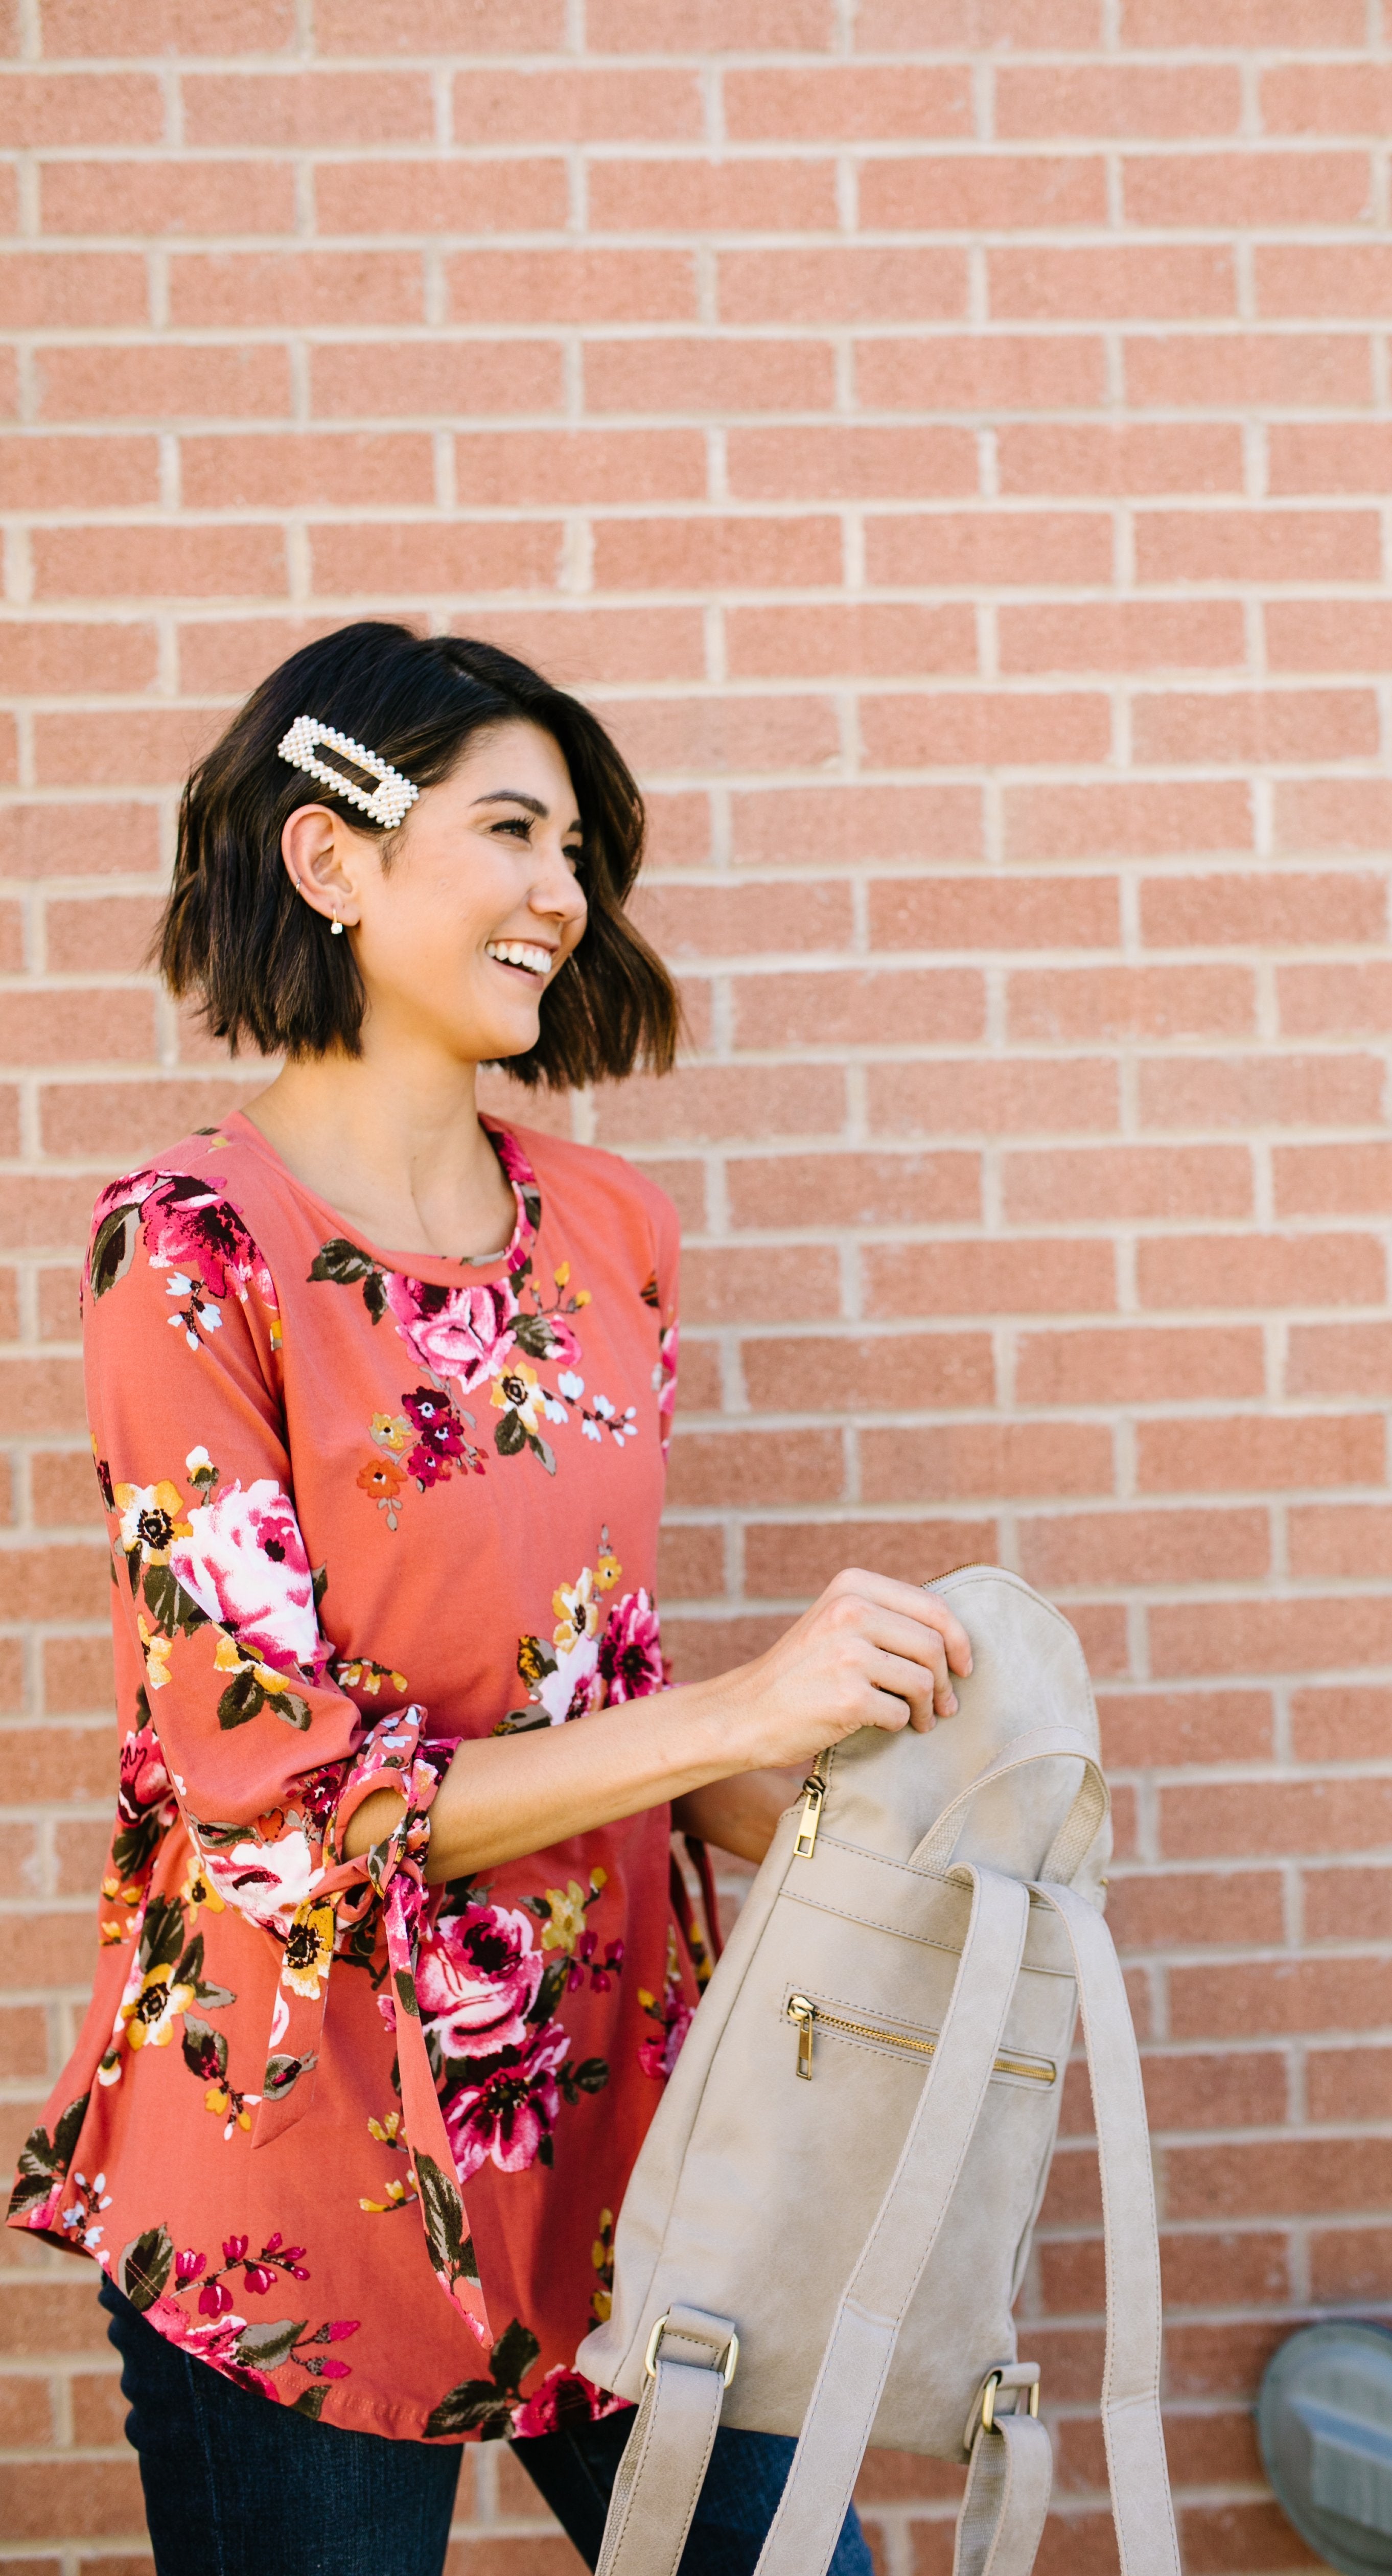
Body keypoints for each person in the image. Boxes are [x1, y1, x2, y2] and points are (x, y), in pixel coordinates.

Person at [7, 622, 972, 2576]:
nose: (564, 895)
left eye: (580, 852)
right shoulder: (190, 1248)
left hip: (624, 2131)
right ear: (333, 860)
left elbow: (586, 1685)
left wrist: (890, 1849)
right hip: (297, 2150)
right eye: (514, 832)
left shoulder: (617, 1230)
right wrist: (743, 1714)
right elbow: (276, 1796)